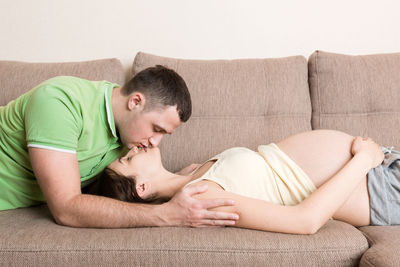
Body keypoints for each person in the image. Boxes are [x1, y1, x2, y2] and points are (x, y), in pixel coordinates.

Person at [0, 65, 239, 228]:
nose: (155, 143)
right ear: (135, 101)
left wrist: (179, 179)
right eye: (156, 129)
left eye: (164, 134)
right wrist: (165, 215)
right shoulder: (60, 102)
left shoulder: (127, 141)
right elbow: (66, 209)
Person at [91, 129, 399, 234]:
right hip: (379, 185)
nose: (133, 148)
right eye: (128, 160)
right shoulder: (199, 197)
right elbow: (305, 221)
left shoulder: (192, 177)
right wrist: (363, 160)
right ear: (141, 188)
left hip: (382, 165)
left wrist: (183, 176)